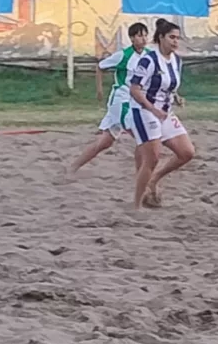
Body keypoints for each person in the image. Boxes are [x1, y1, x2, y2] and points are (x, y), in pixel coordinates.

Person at [127, 19, 195, 209]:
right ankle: (137, 205)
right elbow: (134, 89)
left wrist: (176, 97)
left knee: (187, 152)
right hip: (144, 111)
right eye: (171, 37)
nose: (175, 42)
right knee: (153, 158)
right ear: (161, 38)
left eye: (177, 38)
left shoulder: (176, 61)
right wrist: (152, 108)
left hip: (164, 112)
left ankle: (154, 180)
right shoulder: (148, 60)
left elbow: (169, 86)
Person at [65, 22, 150, 176]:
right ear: (132, 38)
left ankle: (72, 167)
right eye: (139, 35)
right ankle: (142, 180)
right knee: (142, 137)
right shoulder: (124, 55)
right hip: (121, 100)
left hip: (135, 101)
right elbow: (100, 66)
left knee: (104, 142)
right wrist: (99, 90)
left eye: (145, 35)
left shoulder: (149, 55)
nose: (143, 39)